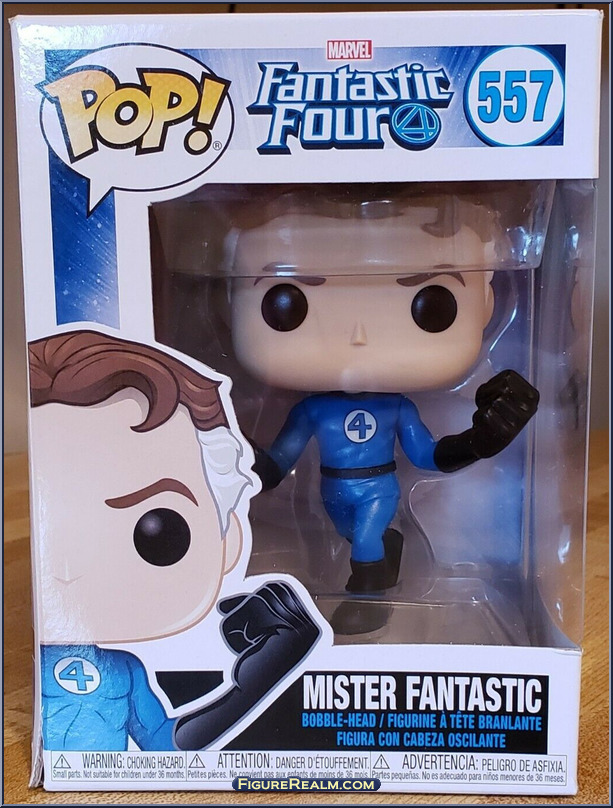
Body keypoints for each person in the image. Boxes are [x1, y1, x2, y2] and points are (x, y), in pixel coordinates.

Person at [225, 191, 539, 630]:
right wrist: (228, 445)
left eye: (431, 303)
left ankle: (367, 600)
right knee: (356, 535)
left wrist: (480, 440)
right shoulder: (312, 410)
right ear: (230, 302)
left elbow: (427, 455)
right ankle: (387, 552)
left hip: (378, 487)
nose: (359, 336)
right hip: (333, 491)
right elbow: (277, 463)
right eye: (287, 302)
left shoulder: (396, 407)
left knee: (365, 540)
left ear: (486, 305)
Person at [29, 330, 320, 751]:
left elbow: (169, 748)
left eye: (160, 532)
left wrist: (264, 673)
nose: (69, 568)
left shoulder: (124, 672)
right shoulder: (31, 659)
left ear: (229, 540)